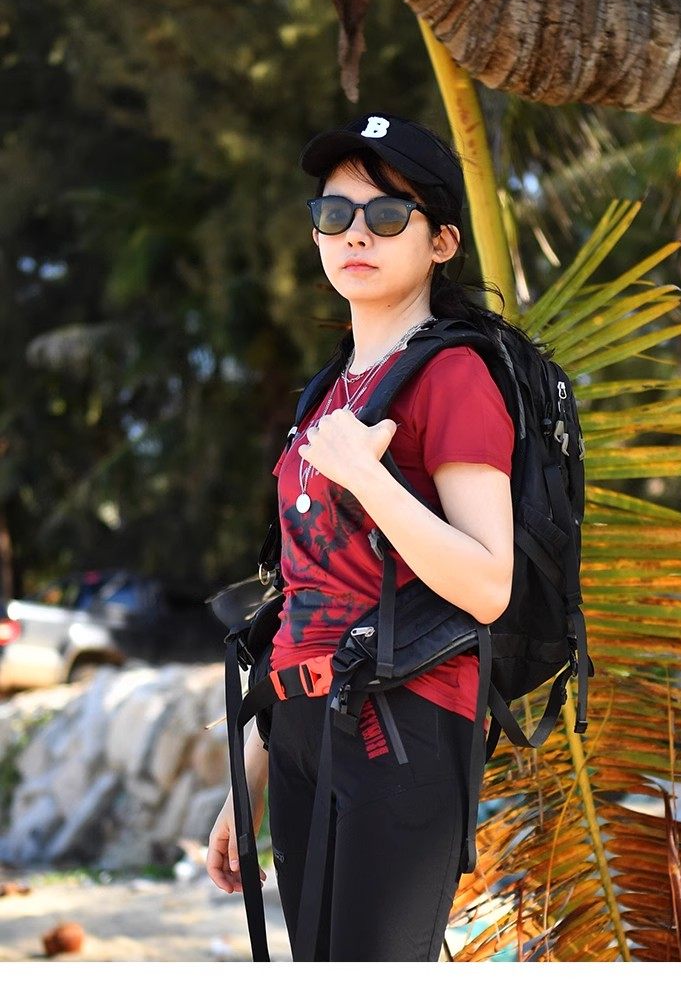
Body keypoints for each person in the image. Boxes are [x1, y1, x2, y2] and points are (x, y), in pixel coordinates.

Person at [207, 111, 516, 962]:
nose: (356, 234)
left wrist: (370, 479)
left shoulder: (453, 375)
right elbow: (304, 594)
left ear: (441, 242)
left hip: (402, 722)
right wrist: (250, 772)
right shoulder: (327, 392)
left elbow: (490, 582)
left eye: (386, 214)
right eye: (334, 213)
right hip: (302, 729)